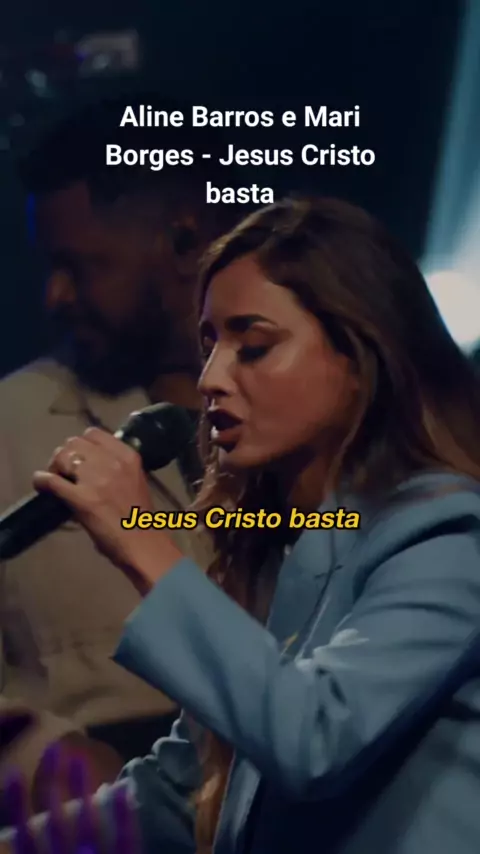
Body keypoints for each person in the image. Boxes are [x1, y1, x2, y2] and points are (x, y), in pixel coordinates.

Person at [3, 194, 480, 854]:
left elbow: (314, 737)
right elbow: (181, 789)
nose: (210, 378)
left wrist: (141, 544)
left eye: (252, 347)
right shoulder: (281, 551)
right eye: (209, 344)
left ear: (358, 357)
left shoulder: (446, 535)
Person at [0, 93, 239, 808]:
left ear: (184, 239)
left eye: (80, 265)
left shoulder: (332, 413)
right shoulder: (8, 426)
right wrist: (46, 760)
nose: (55, 295)